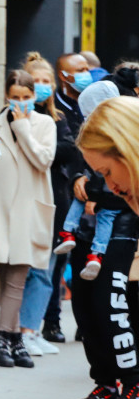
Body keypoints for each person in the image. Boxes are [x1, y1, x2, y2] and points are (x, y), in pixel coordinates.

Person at [0, 70, 56, 369]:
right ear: (6, 96)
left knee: (17, 279)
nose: (21, 103)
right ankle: (14, 339)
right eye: (16, 97)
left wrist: (23, 129)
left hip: (29, 212)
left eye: (26, 97)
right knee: (7, 278)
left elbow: (44, 160)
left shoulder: (44, 124)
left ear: (34, 96)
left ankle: (4, 338)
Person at [66, 90, 139, 399]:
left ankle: (130, 382)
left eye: (107, 172)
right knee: (88, 304)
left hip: (118, 238)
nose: (110, 187)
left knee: (112, 305)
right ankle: (108, 383)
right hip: (89, 239)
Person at [23, 52, 80, 346]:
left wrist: (44, 148)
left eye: (47, 81)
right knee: (26, 268)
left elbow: (68, 150)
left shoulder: (57, 116)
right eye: (37, 81)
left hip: (56, 197)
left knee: (51, 266)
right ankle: (21, 329)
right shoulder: (16, 115)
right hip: (24, 198)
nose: (42, 86)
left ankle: (41, 325)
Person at [56, 82, 124, 281]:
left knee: (101, 213)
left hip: (109, 198)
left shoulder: (109, 133)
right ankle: (95, 253)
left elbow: (105, 170)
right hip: (106, 197)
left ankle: (69, 232)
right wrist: (80, 178)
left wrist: (96, 194)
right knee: (103, 216)